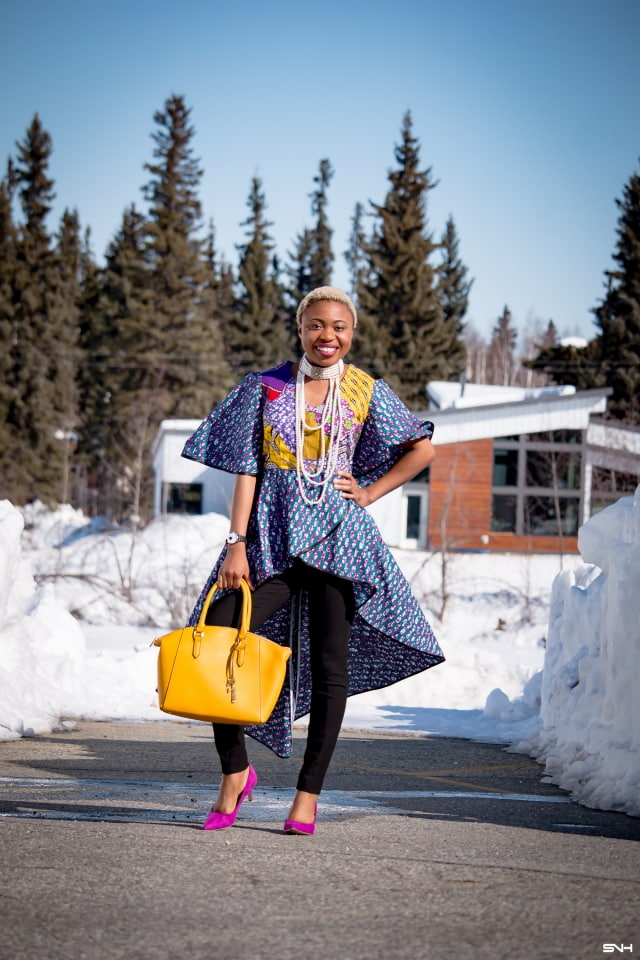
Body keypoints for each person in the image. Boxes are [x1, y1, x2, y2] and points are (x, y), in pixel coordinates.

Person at [182, 286, 444, 834]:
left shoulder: (365, 390)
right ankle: (234, 773)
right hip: (271, 541)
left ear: (353, 333)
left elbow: (422, 448)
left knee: (331, 671)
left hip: (338, 542)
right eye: (318, 325)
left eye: (340, 327)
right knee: (217, 640)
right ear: (300, 329)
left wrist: (370, 493)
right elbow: (245, 467)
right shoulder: (268, 387)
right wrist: (235, 541)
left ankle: (307, 795)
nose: (329, 336)